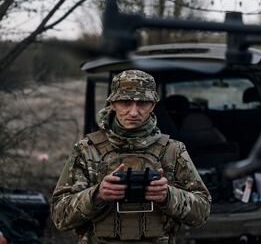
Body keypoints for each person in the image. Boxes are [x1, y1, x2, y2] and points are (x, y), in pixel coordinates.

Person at [51, 70, 211, 243]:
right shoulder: (87, 150)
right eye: (125, 102)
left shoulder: (173, 151)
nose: (134, 112)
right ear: (112, 103)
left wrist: (168, 196)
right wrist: (97, 195)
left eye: (142, 103)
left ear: (153, 105)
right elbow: (60, 216)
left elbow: (202, 212)